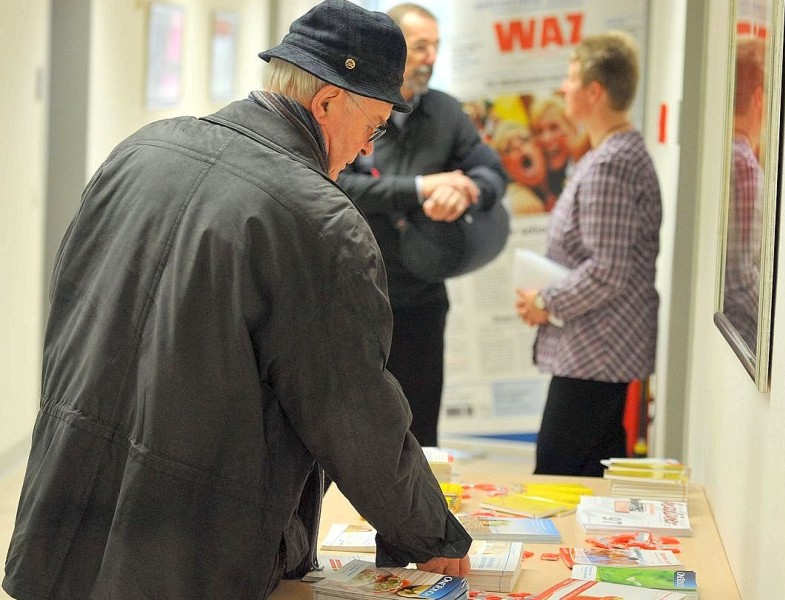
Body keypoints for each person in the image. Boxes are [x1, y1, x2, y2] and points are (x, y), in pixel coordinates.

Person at [2, 2, 471, 598]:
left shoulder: (140, 151)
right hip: (190, 550)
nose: (367, 150)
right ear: (327, 103)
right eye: (373, 125)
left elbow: (69, 313)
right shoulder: (319, 221)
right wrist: (431, 536)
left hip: (63, 520)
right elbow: (354, 413)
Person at [338, 3, 508, 448]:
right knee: (354, 430)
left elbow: (491, 173)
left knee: (418, 432)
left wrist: (466, 191)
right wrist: (420, 187)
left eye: (436, 46)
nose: (431, 57)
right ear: (393, 50)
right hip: (355, 298)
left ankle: (416, 519)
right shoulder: (353, 108)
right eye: (421, 46)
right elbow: (340, 184)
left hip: (422, 302)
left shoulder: (447, 113)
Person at [515, 32, 662, 477]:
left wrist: (545, 303)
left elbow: (608, 270)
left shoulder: (611, 164)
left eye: (572, 78)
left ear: (595, 91)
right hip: (597, 354)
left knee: (558, 477)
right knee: (588, 477)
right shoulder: (610, 155)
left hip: (596, 356)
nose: (563, 88)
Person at [722, 38, 765, 351]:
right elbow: (741, 276)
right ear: (760, 98)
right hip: (744, 338)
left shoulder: (723, 156)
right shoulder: (744, 164)